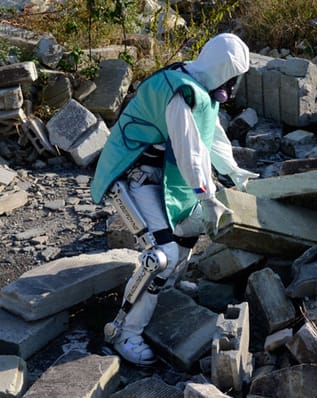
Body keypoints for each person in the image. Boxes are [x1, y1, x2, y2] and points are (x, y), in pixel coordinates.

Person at [89, 33, 258, 366]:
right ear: (224, 70)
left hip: (162, 178)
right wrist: (207, 194)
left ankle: (162, 292)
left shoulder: (201, 90)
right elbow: (190, 152)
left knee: (188, 234)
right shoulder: (178, 92)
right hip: (132, 178)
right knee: (161, 256)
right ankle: (124, 330)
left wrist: (236, 172)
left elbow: (211, 136)